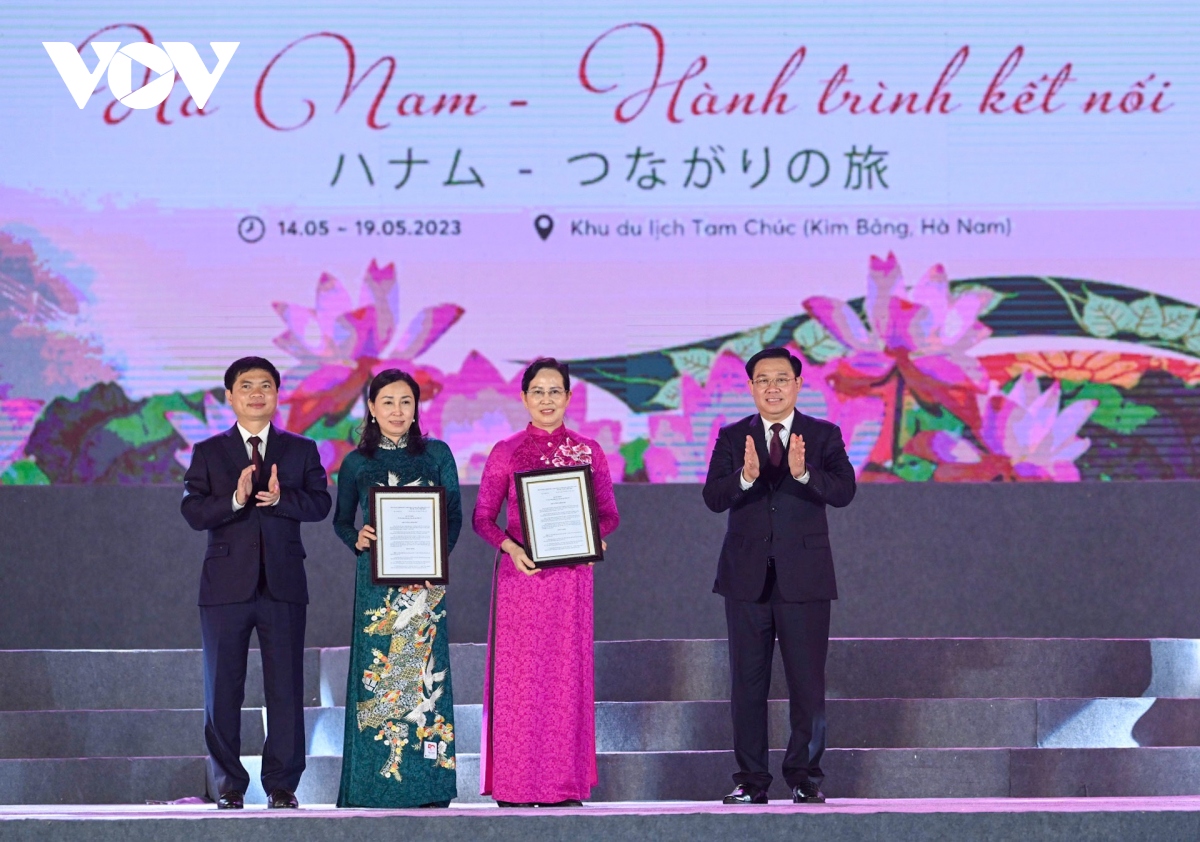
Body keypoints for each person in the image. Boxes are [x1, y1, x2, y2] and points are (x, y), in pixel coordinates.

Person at [703, 347, 856, 805]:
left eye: (782, 379)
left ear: (798, 384)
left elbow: (844, 491)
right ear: (751, 387)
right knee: (747, 685)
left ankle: (805, 777)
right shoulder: (733, 437)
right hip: (746, 579)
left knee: (807, 684)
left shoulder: (823, 434)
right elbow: (713, 497)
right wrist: (745, 477)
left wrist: (805, 473)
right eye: (763, 380)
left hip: (804, 578)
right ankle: (751, 781)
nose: (773, 388)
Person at [181, 357, 332, 810]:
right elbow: (193, 511)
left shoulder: (300, 449)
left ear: (277, 394)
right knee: (222, 689)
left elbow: (320, 504)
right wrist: (234, 499)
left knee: (285, 687)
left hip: (282, 585)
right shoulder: (209, 451)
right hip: (224, 587)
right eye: (246, 386)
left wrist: (283, 498)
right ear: (230, 396)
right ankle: (229, 785)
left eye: (265, 385)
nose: (256, 394)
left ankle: (282, 785)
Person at [472, 358, 620, 807]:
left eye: (555, 391)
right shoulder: (507, 451)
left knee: (563, 683)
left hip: (569, 582)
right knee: (518, 684)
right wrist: (509, 547)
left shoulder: (588, 451)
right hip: (521, 580)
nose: (547, 399)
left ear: (569, 397)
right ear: (524, 397)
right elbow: (483, 518)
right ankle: (515, 787)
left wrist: (594, 537)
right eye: (538, 391)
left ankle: (562, 786)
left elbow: (609, 515)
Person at [332, 369, 462, 808]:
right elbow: (341, 521)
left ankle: (428, 786)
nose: (397, 410)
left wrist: (435, 562)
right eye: (387, 401)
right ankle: (374, 785)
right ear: (372, 408)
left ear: (416, 407)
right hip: (377, 590)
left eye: (406, 401)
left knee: (424, 681)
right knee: (380, 680)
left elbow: (454, 518)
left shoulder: (437, 454)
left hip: (424, 587)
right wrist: (357, 539)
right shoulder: (356, 463)